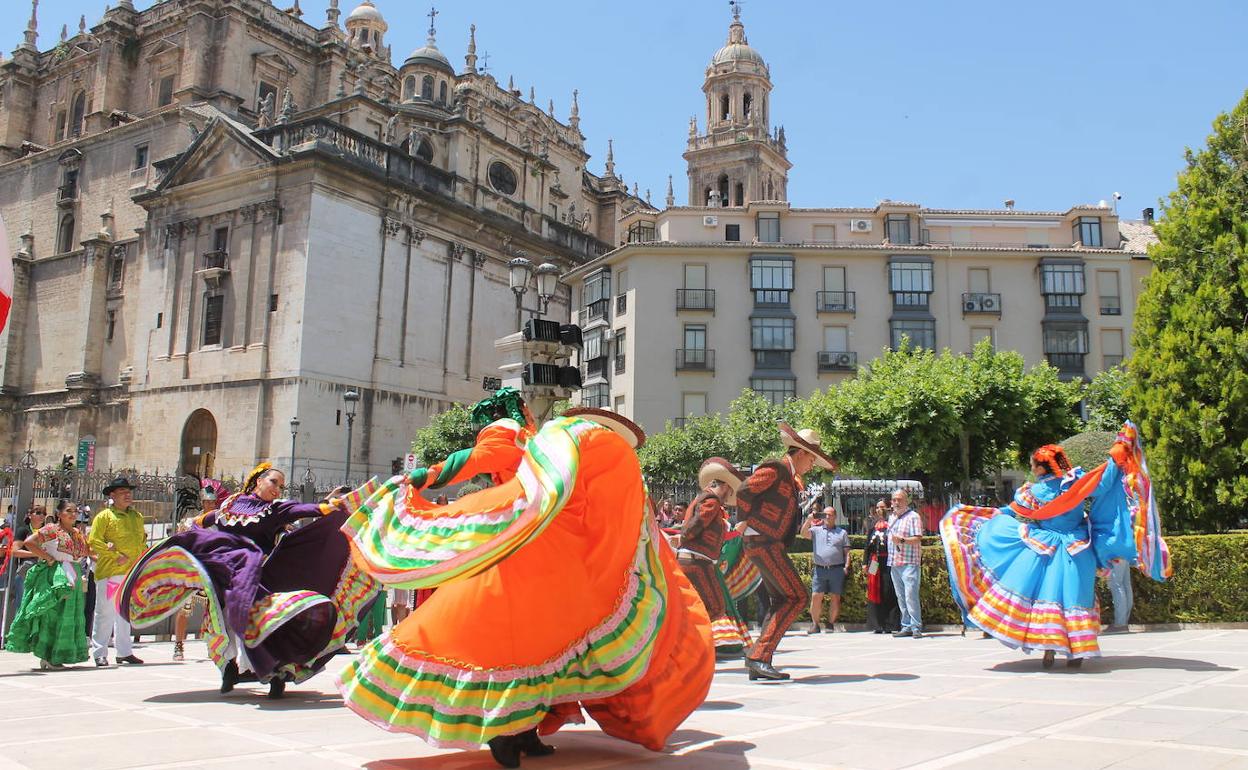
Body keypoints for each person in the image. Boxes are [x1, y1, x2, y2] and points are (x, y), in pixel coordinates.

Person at [337, 393, 713, 768]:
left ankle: (522, 730)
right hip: (527, 543)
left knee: (534, 642)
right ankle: (509, 732)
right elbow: (479, 459)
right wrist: (425, 476)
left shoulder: (548, 444)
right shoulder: (526, 437)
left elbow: (481, 462)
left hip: (534, 540)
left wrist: (427, 475)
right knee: (520, 642)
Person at [120, 464, 378, 698]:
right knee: (224, 621)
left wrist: (334, 505)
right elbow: (206, 521)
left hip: (255, 575)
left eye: (280, 485)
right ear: (258, 481)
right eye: (274, 482)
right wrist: (190, 527)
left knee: (258, 620)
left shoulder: (276, 509)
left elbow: (308, 509)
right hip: (222, 573)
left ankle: (275, 673)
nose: (277, 489)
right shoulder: (232, 503)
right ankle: (231, 669)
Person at [940, 424, 1172, 668]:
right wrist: (1119, 451)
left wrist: (993, 515)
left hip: (1044, 548)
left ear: (1041, 468)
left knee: (1047, 596)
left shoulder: (1033, 490)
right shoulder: (1077, 482)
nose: (1031, 468)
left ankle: (1049, 649)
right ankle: (1077, 652)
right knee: (1076, 596)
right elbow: (1104, 481)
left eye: (1033, 465)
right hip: (1078, 548)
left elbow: (1016, 510)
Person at [736, 423, 838, 681]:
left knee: (782, 600)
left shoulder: (789, 477)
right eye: (812, 459)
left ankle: (760, 659)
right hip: (763, 541)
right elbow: (745, 489)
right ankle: (759, 656)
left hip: (768, 543)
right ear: (801, 453)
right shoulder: (777, 468)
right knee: (797, 597)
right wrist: (744, 520)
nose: (812, 465)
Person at [676, 457, 749, 658]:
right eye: (730, 491)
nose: (730, 495)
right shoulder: (711, 501)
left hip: (694, 560)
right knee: (715, 605)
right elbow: (695, 525)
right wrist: (686, 535)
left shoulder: (703, 499)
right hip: (697, 561)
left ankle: (691, 647)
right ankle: (695, 648)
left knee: (700, 605)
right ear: (724, 485)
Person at [6, 500, 92, 668]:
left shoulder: (76, 532)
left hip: (72, 573)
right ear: (59, 514)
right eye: (69, 511)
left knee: (69, 614)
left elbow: (87, 551)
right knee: (53, 613)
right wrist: (48, 558)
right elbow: (29, 542)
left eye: (75, 511)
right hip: (56, 575)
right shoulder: (52, 529)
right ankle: (47, 654)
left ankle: (61, 653)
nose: (73, 514)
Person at [88, 478, 147, 667]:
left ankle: (124, 652)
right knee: (105, 612)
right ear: (112, 495)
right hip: (111, 571)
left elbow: (142, 541)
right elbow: (94, 541)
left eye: (129, 491)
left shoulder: (136, 516)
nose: (127, 494)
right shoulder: (104, 516)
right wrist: (114, 554)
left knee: (125, 614)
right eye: (122, 491)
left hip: (131, 572)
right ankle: (99, 652)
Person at [801, 505, 850, 634]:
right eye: (825, 514)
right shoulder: (816, 530)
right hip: (820, 570)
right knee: (816, 596)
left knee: (835, 598)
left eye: (830, 514)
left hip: (837, 569)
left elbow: (847, 552)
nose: (827, 517)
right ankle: (815, 624)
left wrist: (846, 567)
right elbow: (803, 534)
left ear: (835, 516)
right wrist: (808, 520)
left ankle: (830, 624)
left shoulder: (842, 532)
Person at [887, 489, 924, 639]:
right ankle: (906, 625)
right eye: (894, 499)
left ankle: (916, 626)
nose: (896, 502)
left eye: (899, 499)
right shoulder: (892, 517)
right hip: (895, 562)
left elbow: (918, 538)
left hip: (909, 561)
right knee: (901, 596)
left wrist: (902, 540)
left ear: (906, 501)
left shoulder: (913, 517)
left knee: (910, 595)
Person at [863, 499, 900, 633]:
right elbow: (867, 545)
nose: (880, 510)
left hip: (888, 560)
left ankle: (890, 624)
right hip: (874, 561)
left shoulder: (893, 523)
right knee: (874, 589)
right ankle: (876, 624)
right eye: (878, 507)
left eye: (882, 507)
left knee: (888, 589)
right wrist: (864, 562)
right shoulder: (873, 524)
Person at [1106, 558, 1133, 631]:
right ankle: (1123, 622)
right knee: (1125, 584)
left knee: (1116, 584)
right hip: (1125, 552)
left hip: (1116, 553)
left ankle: (1120, 623)